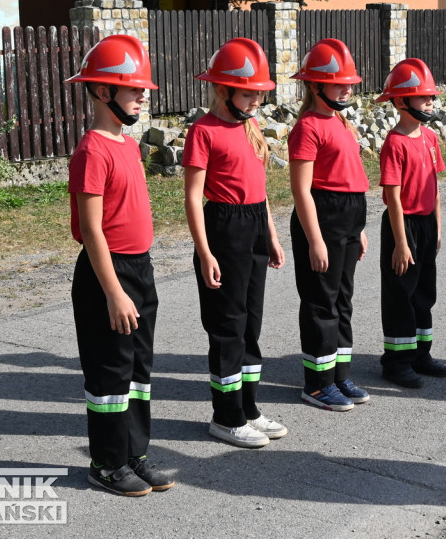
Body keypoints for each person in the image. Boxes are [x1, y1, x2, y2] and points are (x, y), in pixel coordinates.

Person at [66, 34, 175, 497]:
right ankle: (107, 464)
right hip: (105, 274)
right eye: (134, 88)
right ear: (102, 91)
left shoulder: (128, 144)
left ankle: (134, 455)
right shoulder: (92, 150)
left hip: (139, 268)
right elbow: (92, 231)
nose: (143, 94)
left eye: (142, 88)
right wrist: (113, 292)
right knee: (110, 374)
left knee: (137, 371)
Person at [184, 38, 287, 448]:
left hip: (254, 227)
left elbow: (259, 191)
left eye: (260, 94)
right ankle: (225, 417)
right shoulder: (203, 130)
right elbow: (193, 196)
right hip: (222, 228)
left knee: (251, 323)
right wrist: (206, 251)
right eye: (249, 94)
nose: (257, 101)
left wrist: (272, 236)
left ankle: (248, 408)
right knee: (227, 327)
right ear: (224, 90)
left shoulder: (251, 126)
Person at [289, 38, 371, 411]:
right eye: (339, 83)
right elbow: (301, 190)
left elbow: (350, 174)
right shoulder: (307, 127)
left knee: (343, 300)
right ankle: (318, 384)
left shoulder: (337, 118)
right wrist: (315, 240)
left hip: (349, 217)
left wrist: (359, 229)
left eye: (349, 83)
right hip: (323, 216)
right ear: (315, 85)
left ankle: (339, 374)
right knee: (321, 302)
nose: (347, 88)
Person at [374, 58, 446, 389]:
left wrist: (438, 228)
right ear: (401, 101)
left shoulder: (430, 139)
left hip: (426, 226)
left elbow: (435, 187)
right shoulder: (394, 144)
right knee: (400, 295)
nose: (430, 102)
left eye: (431, 96)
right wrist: (401, 243)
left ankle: (421, 354)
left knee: (423, 292)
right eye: (424, 97)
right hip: (401, 227)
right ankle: (396, 362)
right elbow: (393, 197)